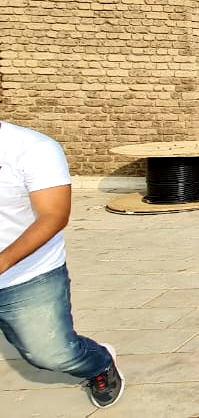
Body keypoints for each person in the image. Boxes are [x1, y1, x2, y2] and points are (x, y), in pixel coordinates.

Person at [0, 121, 123, 409]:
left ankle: (99, 363)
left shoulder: (31, 149)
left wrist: (3, 261)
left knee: (50, 354)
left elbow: (53, 215)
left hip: (25, 275)